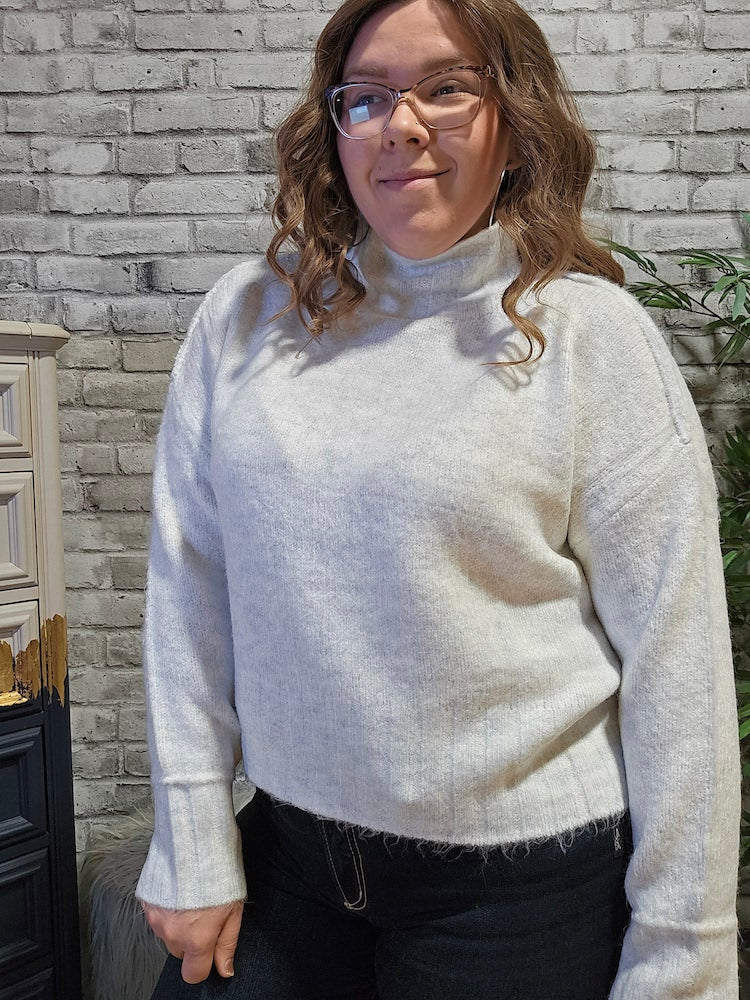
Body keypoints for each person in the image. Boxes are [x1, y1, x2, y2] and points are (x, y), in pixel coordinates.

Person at [135, 0, 742, 995]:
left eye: (447, 88)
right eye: (367, 97)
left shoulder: (592, 339)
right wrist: (192, 836)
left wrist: (685, 956)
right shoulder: (246, 319)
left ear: (514, 120)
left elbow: (679, 667)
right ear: (334, 131)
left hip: (521, 894)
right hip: (287, 860)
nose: (403, 126)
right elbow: (188, 590)